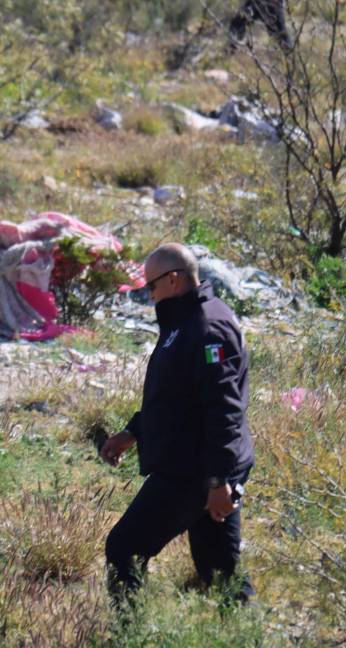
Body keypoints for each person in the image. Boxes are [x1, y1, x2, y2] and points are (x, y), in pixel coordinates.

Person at [100, 243, 256, 608]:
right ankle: (245, 634)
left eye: (150, 286)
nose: (149, 295)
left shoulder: (207, 328)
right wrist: (135, 432)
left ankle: (129, 637)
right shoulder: (185, 322)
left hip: (194, 472)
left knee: (124, 549)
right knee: (219, 572)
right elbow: (177, 398)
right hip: (198, 465)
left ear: (172, 280)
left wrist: (218, 482)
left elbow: (224, 411)